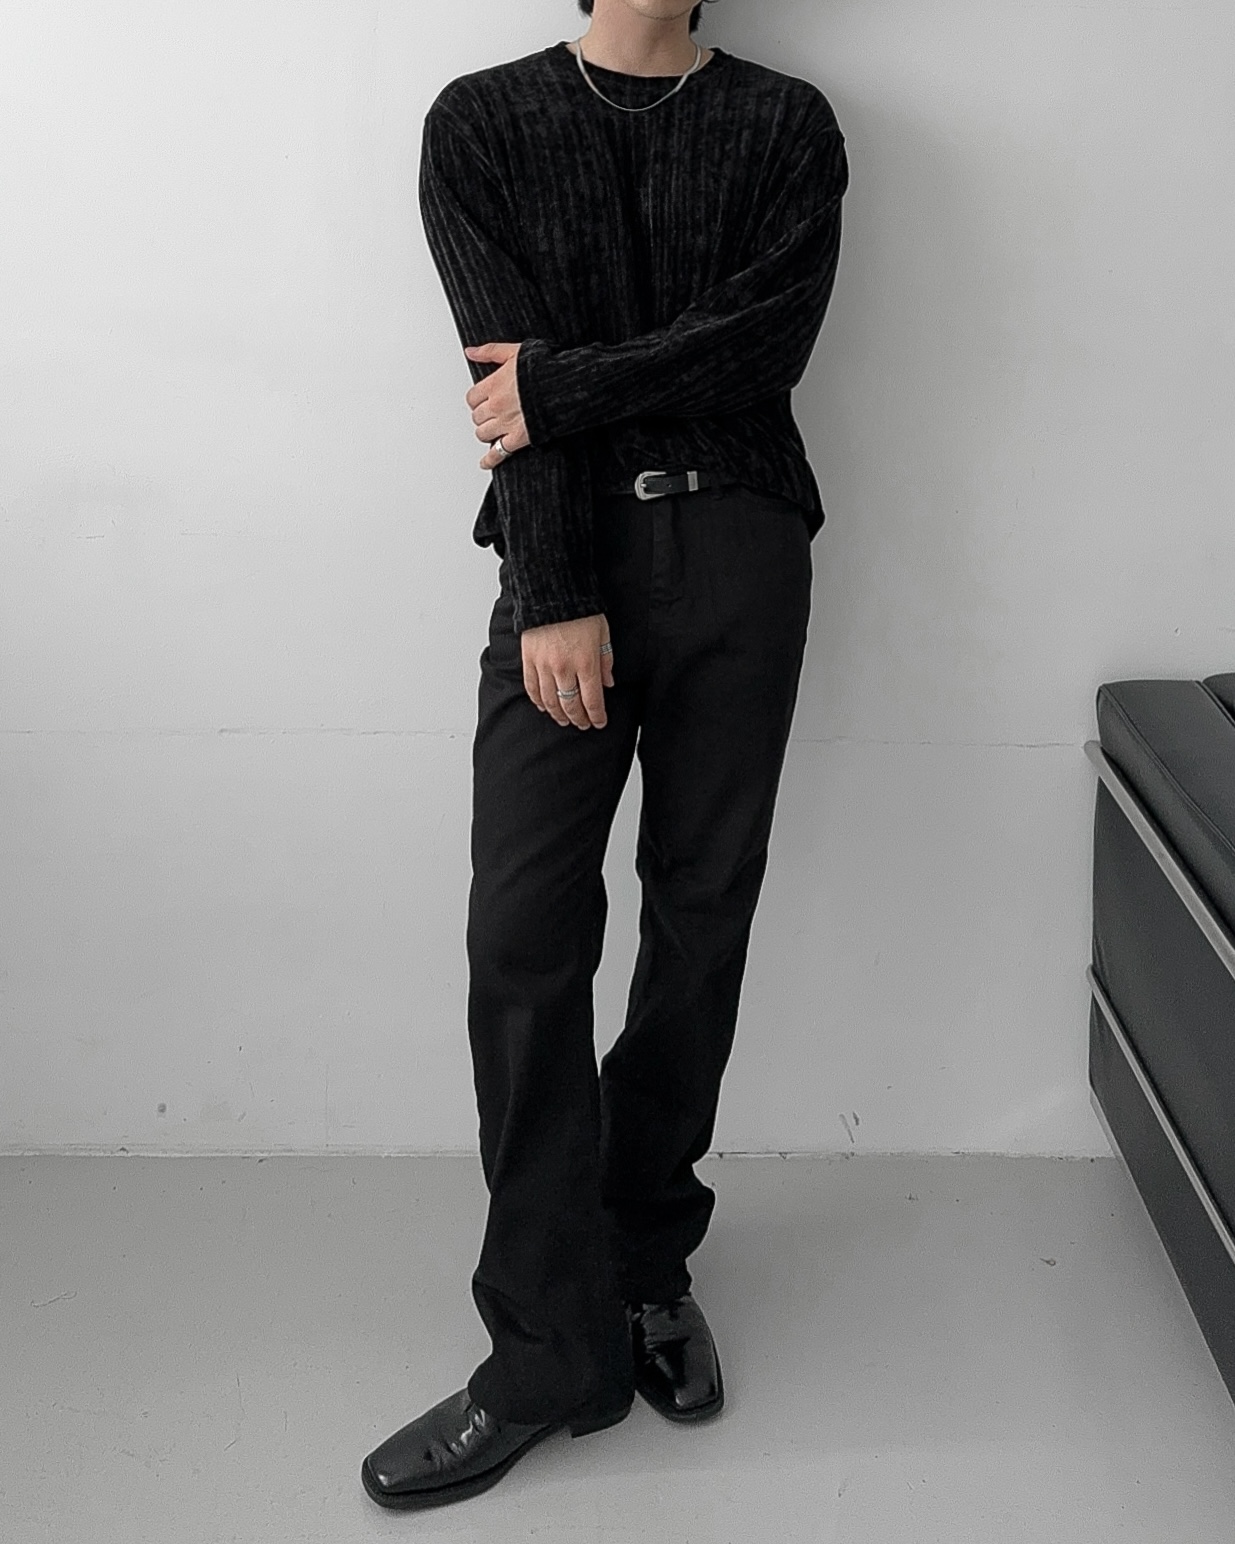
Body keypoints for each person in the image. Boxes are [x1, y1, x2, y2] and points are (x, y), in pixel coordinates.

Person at [361, 0, 848, 1510]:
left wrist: (564, 382)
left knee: (701, 915)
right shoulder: (482, 121)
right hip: (568, 564)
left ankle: (646, 1261)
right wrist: (556, 591)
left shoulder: (786, 122)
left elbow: (764, 344)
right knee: (522, 934)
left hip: (744, 552)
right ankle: (542, 1349)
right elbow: (499, 373)